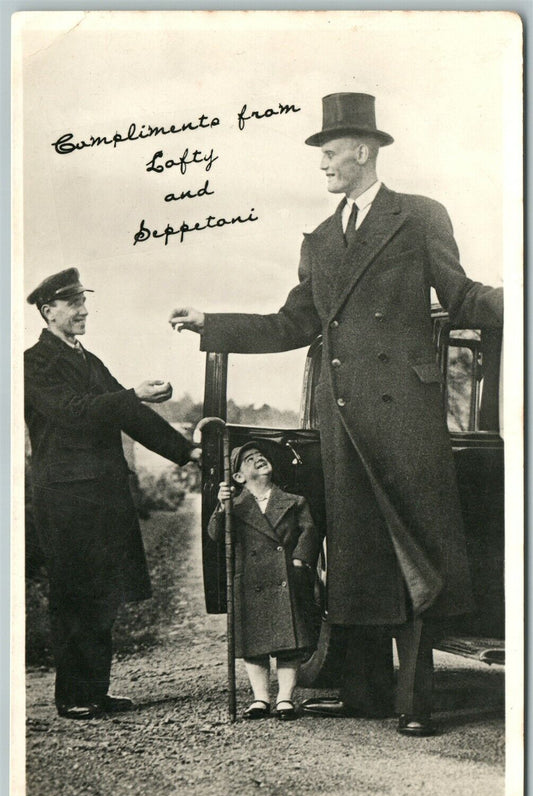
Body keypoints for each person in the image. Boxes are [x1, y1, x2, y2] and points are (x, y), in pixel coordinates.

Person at [169, 93, 504, 736]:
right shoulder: (320, 240)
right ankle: (368, 695)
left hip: (404, 417)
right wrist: (213, 323)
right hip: (343, 421)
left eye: (330, 152)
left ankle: (415, 704)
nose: (322, 164)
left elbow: (461, 295)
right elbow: (292, 323)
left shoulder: (419, 215)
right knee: (359, 559)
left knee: (414, 557)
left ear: (363, 152)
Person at [25, 267, 201, 720]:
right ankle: (72, 696)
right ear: (48, 311)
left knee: (102, 592)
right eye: (74, 303)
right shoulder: (34, 362)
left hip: (101, 493)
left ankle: (95, 692)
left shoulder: (89, 360)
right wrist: (132, 394)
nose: (84, 310)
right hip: (65, 498)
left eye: (84, 301)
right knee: (74, 593)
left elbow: (128, 415)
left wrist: (186, 450)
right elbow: (74, 412)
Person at [208, 442, 319, 720]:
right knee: (254, 644)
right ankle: (260, 698)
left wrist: (299, 560)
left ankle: (284, 698)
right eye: (249, 459)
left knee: (289, 643)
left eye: (261, 456)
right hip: (251, 579)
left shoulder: (294, 501)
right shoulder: (234, 506)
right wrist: (221, 506)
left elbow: (309, 531)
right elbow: (216, 534)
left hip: (285, 578)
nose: (259, 459)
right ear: (238, 477)